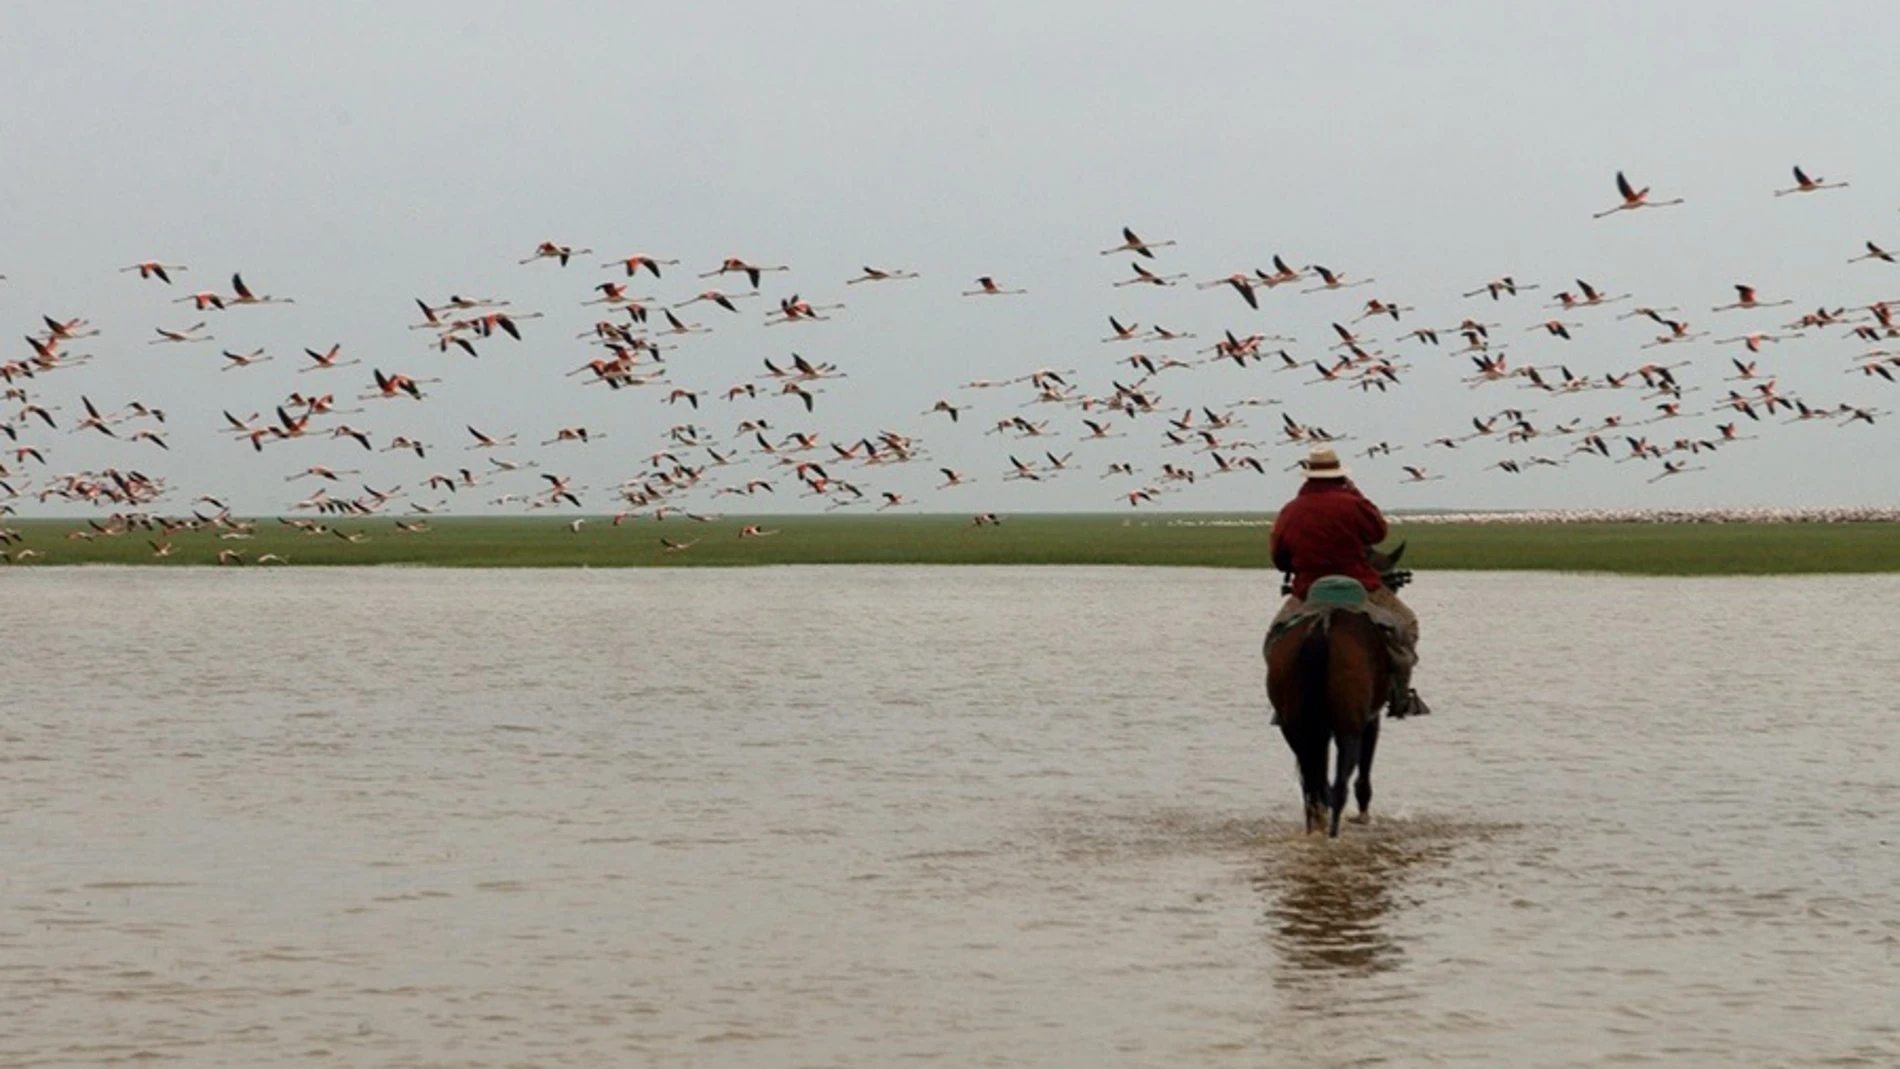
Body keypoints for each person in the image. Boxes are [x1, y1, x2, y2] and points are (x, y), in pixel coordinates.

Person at [1267, 445, 1428, 719]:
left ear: (1307, 477)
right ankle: (1399, 693)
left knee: (1275, 638)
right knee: (1407, 623)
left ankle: (1283, 702)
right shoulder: (1353, 504)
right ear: (1340, 475)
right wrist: (1355, 493)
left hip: (1308, 590)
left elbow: (1279, 558)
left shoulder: (1291, 511)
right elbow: (1378, 532)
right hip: (1360, 586)